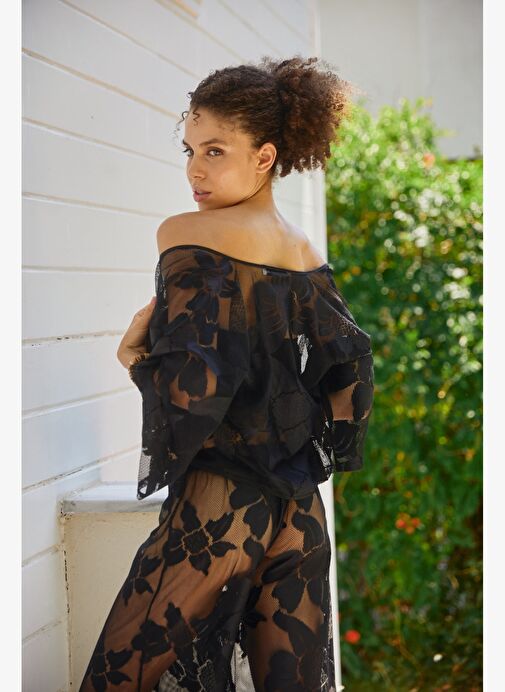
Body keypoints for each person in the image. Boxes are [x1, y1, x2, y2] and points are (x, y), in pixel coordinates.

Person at [78, 55, 374, 692]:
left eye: (215, 151)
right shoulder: (305, 253)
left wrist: (136, 361)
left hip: (222, 508)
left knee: (115, 680)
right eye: (190, 150)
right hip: (301, 512)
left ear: (265, 157)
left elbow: (194, 390)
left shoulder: (187, 233)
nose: (195, 169)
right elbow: (348, 380)